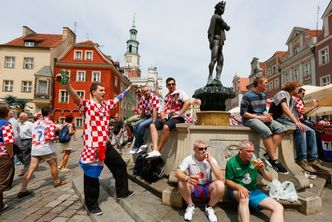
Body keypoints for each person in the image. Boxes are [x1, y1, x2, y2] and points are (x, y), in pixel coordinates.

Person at [62, 78, 133, 216]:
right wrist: (67, 85)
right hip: (93, 146)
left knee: (120, 165)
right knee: (91, 175)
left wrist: (128, 90)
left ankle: (122, 192)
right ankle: (92, 205)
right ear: (94, 92)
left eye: (104, 90)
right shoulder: (87, 105)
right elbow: (76, 97)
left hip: (105, 144)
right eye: (101, 90)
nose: (104, 92)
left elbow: (117, 99)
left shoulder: (105, 105)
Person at [225, 140, 284, 222]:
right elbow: (228, 181)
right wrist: (239, 187)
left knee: (278, 207)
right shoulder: (232, 162)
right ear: (240, 150)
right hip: (236, 190)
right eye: (248, 151)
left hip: (253, 191)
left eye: (252, 151)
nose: (251, 154)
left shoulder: (254, 161)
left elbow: (270, 179)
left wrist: (263, 170)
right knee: (244, 197)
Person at [272, 81, 325, 173]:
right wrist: (297, 122)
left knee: (311, 131)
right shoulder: (282, 93)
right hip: (278, 119)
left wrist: (296, 121)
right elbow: (285, 109)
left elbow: (291, 113)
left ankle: (313, 158)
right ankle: (302, 159)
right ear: (293, 87)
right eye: (298, 87)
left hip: (286, 119)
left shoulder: (292, 98)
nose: (299, 89)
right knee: (301, 129)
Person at [240, 77, 288, 174]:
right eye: (266, 83)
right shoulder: (247, 96)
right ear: (259, 84)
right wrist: (260, 118)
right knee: (266, 131)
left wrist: (267, 115)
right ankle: (274, 159)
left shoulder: (263, 95)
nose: (267, 84)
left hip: (262, 117)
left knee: (282, 128)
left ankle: (268, 155)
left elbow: (263, 110)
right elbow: (243, 113)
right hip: (249, 119)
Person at [17, 106, 66, 199]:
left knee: (30, 169)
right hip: (46, 148)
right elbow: (50, 137)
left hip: (35, 148)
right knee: (53, 165)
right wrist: (57, 134)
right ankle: (57, 181)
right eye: (52, 112)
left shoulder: (36, 123)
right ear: (50, 113)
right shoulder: (50, 123)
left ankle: (22, 189)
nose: (53, 114)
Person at [175, 140, 225, 222]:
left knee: (220, 185)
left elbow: (221, 178)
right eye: (201, 148)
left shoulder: (210, 159)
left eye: (205, 148)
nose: (204, 150)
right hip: (194, 186)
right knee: (181, 181)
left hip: (207, 187)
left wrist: (210, 162)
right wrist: (187, 178)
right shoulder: (189, 159)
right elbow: (177, 173)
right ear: (194, 149)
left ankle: (209, 207)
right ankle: (190, 206)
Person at [147, 77, 191, 158]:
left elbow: (188, 102)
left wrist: (179, 113)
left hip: (178, 117)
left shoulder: (180, 92)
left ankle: (157, 150)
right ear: (166, 86)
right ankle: (155, 149)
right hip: (167, 117)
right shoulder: (166, 96)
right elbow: (162, 109)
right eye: (169, 84)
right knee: (152, 125)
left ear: (175, 85)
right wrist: (162, 114)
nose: (171, 86)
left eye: (173, 84)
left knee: (166, 127)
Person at [104, 127, 135, 199]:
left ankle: (121, 192)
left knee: (116, 169)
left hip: (104, 148)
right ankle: (122, 193)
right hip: (105, 147)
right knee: (121, 165)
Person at [131, 85, 160, 154]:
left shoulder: (154, 97)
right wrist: (140, 119)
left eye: (147, 90)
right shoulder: (143, 98)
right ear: (143, 93)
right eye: (144, 91)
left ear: (149, 90)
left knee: (141, 125)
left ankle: (136, 146)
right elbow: (143, 110)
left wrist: (154, 122)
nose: (146, 92)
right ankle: (141, 144)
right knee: (135, 125)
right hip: (146, 116)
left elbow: (155, 110)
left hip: (153, 116)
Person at [207, 1, 230, 85]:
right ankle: (210, 76)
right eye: (222, 8)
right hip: (216, 40)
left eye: (224, 8)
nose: (223, 10)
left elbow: (225, 26)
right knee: (213, 59)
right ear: (217, 8)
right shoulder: (216, 17)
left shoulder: (219, 18)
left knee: (221, 61)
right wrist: (211, 40)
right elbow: (226, 27)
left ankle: (217, 78)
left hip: (220, 42)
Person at [0, 104, 15, 212]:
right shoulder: (5, 124)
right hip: (3, 155)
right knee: (2, 182)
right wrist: (11, 154)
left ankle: (0, 205)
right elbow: (8, 141)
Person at [18, 112, 34, 176]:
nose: (20, 118)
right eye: (19, 117)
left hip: (28, 141)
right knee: (19, 155)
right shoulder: (19, 124)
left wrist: (33, 142)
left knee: (26, 156)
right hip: (20, 141)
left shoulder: (30, 124)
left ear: (26, 117)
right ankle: (27, 166)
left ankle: (25, 169)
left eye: (21, 117)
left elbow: (33, 133)